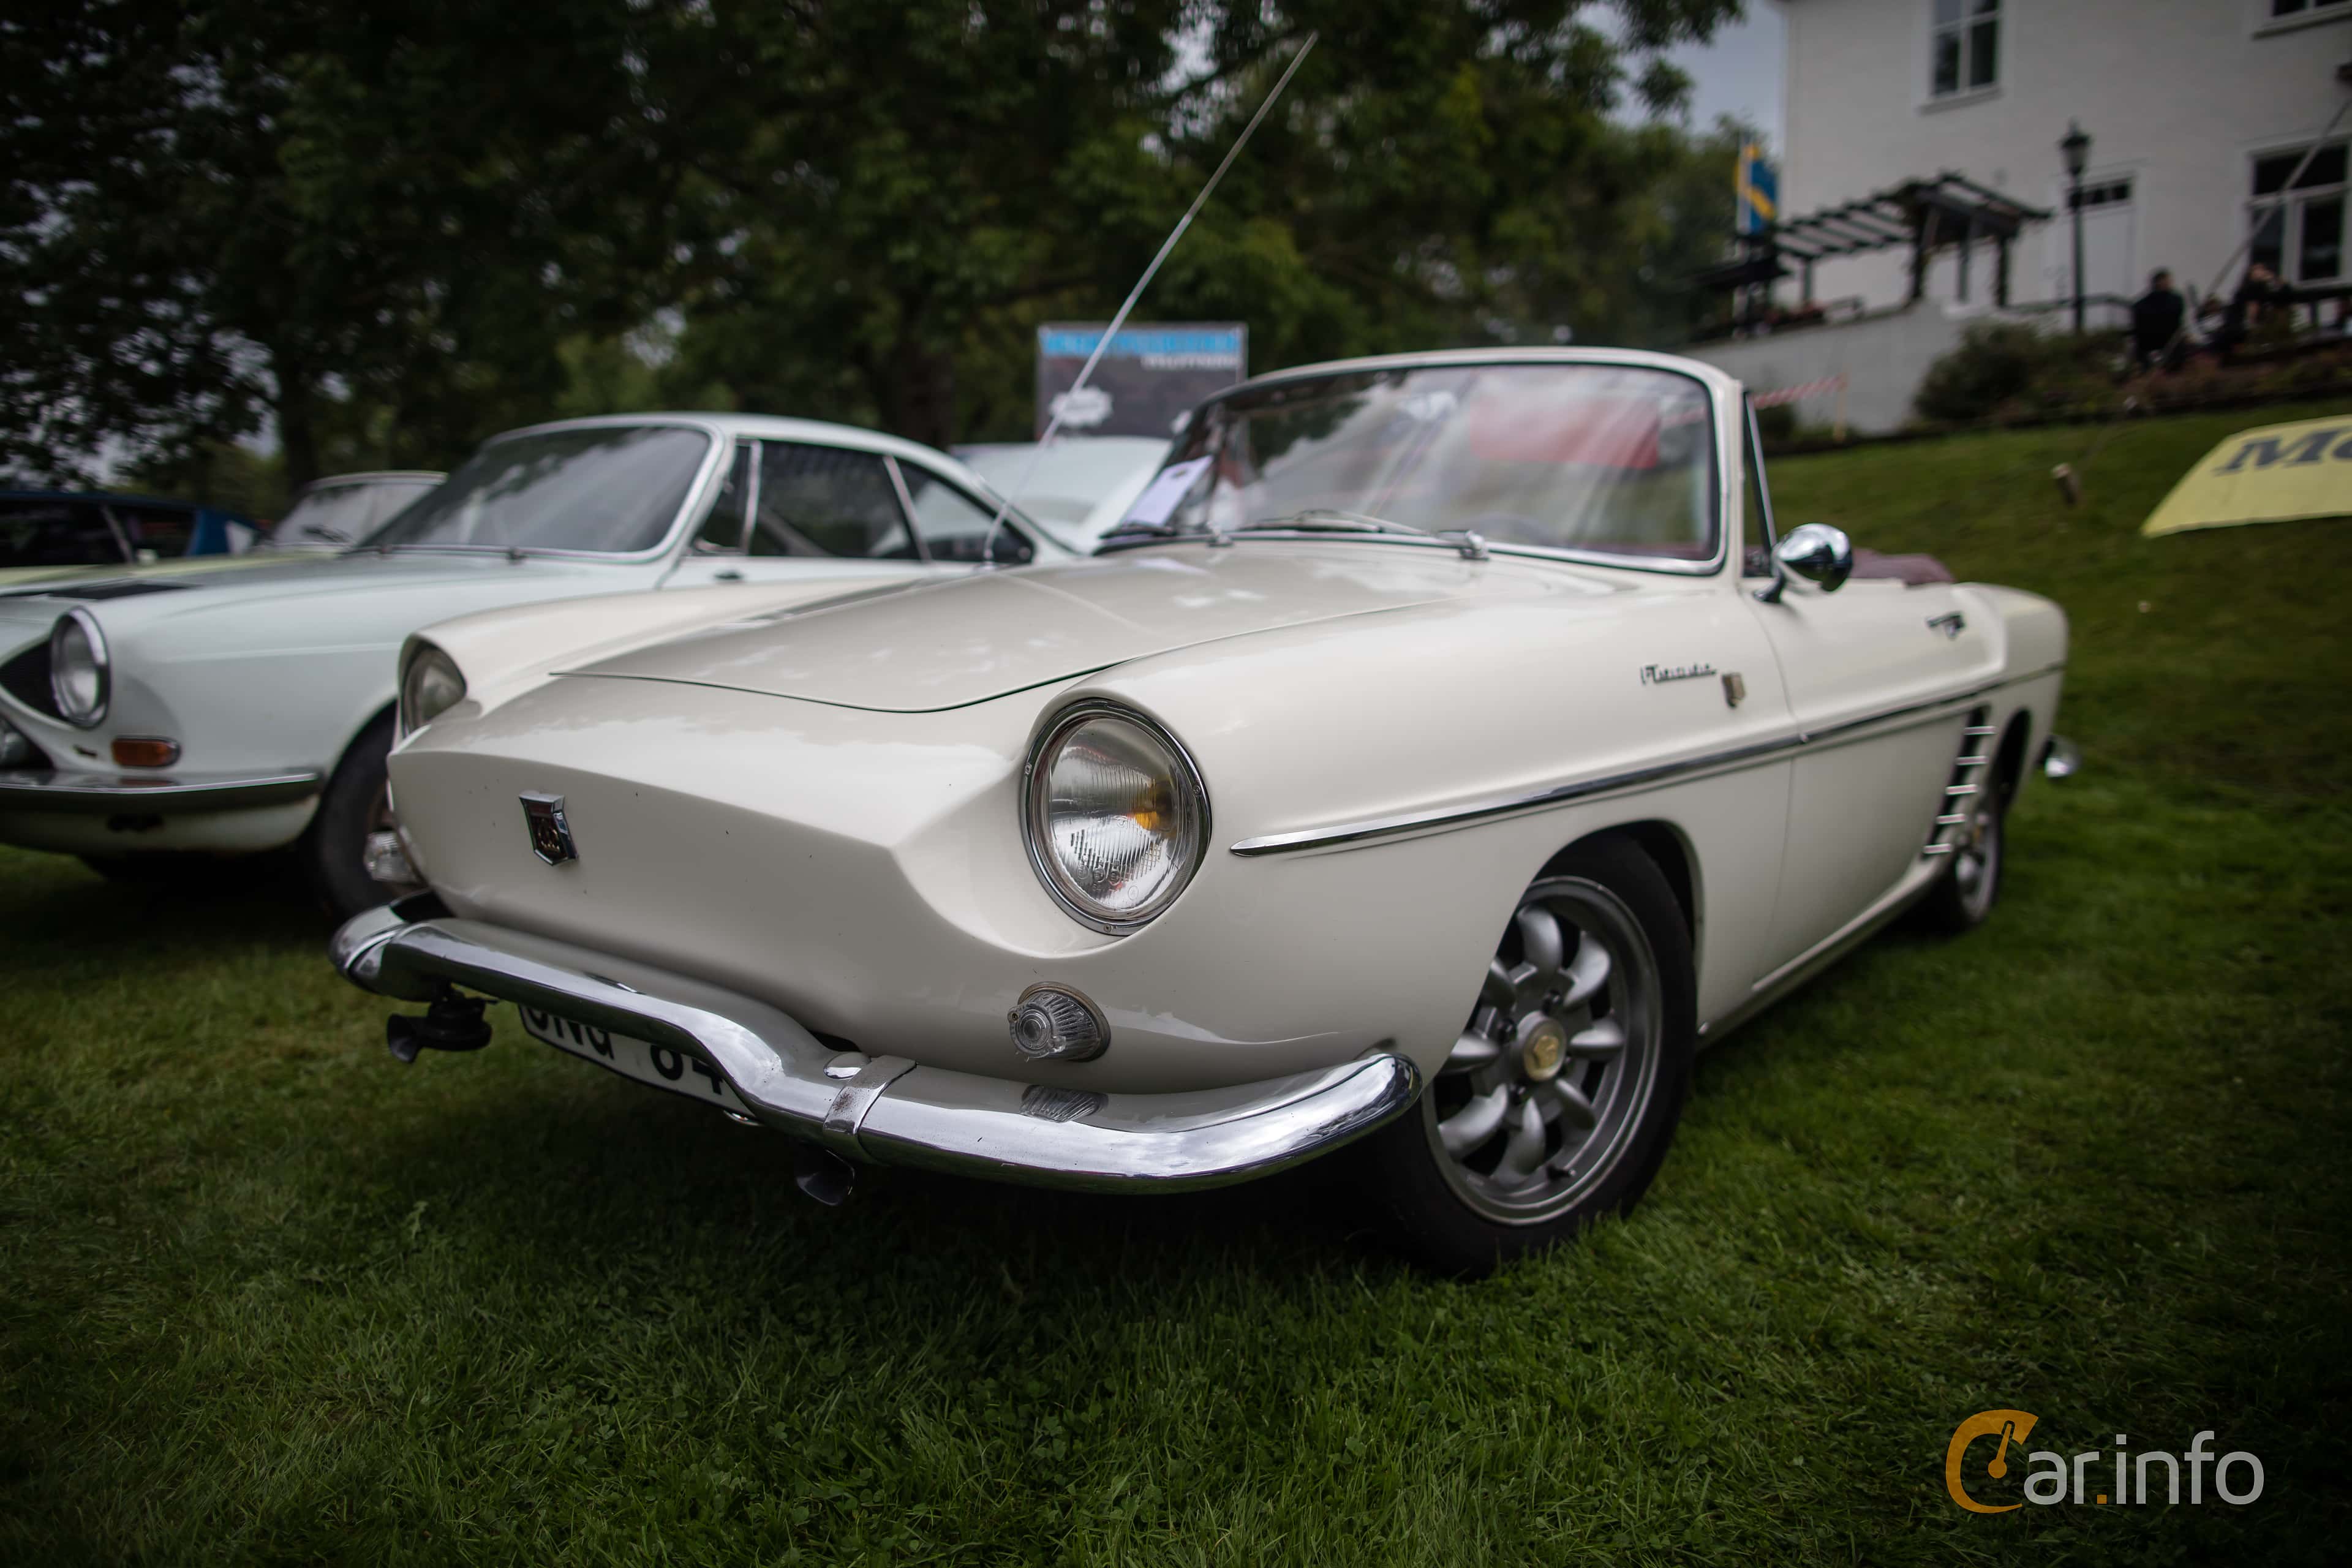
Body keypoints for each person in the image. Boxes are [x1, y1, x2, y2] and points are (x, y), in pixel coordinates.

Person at [2130, 268, 2187, 371]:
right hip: (2150, 345)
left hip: (2172, 344)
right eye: (2166, 281)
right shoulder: (2142, 305)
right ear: (2158, 282)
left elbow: (2178, 319)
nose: (2169, 284)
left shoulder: (2176, 300)